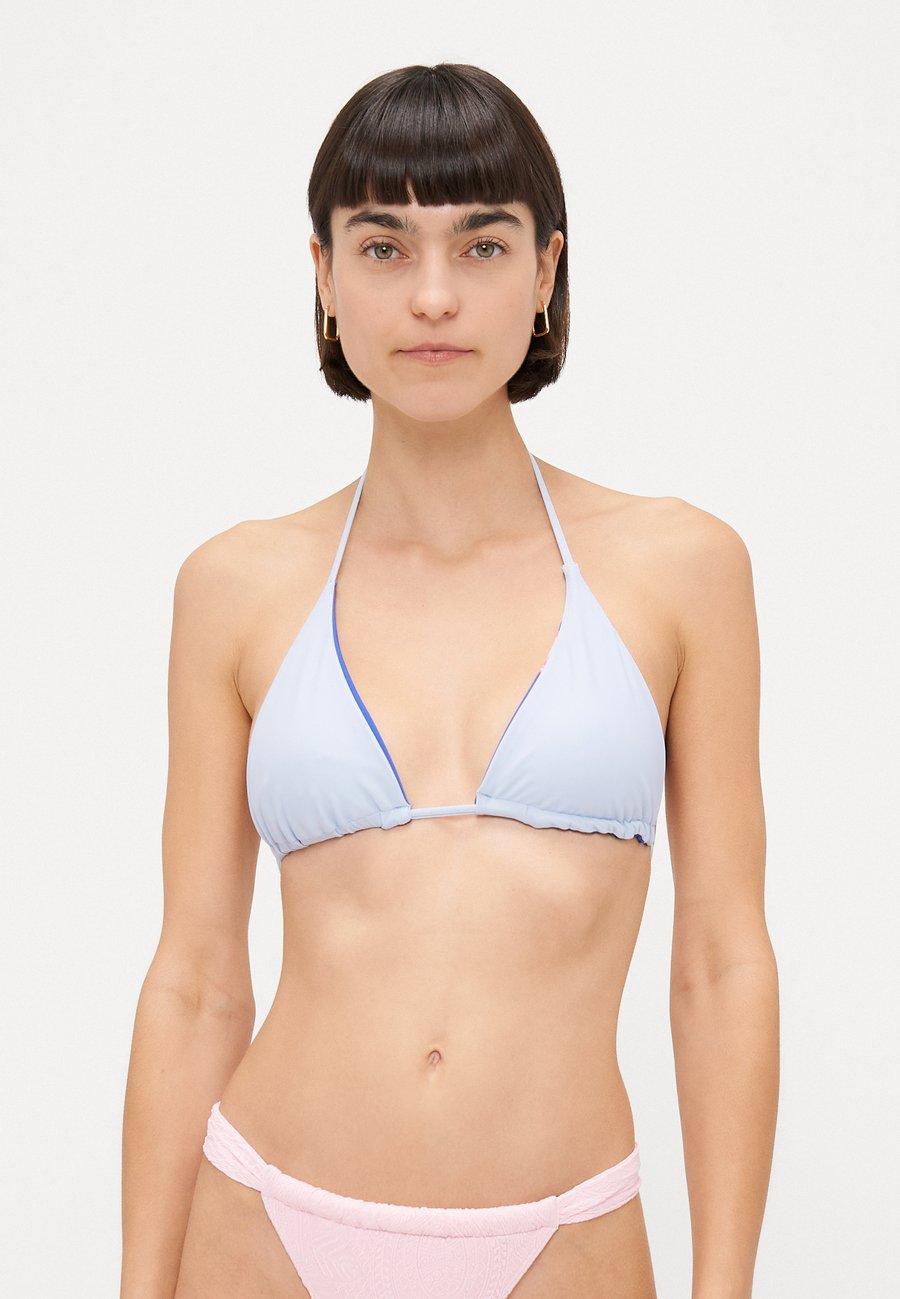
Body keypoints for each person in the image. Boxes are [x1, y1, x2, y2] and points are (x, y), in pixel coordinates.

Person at [121, 63, 779, 1299]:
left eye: (482, 245)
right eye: (383, 247)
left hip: (565, 1237)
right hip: (264, 1223)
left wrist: (727, 1286)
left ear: (546, 273)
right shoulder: (235, 586)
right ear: (323, 276)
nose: (432, 295)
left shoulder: (681, 569)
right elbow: (196, 978)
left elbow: (720, 961)